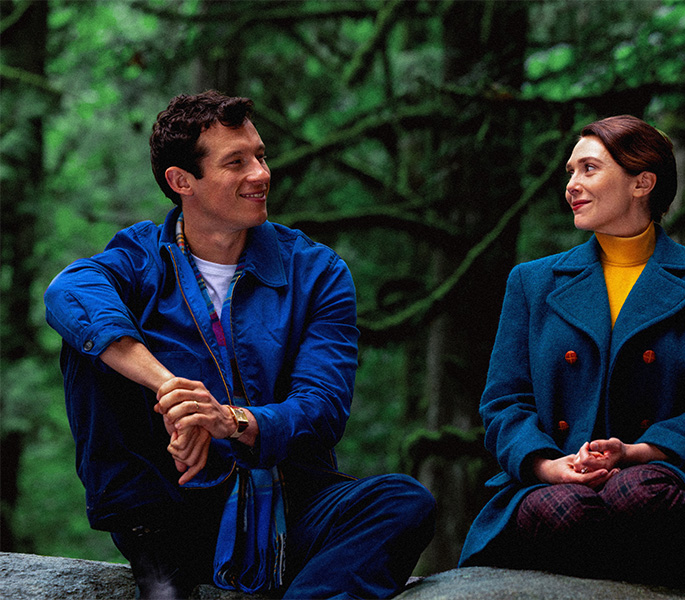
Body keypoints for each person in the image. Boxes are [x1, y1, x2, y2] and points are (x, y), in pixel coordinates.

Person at [44, 90, 435, 600]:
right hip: (169, 508)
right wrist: (173, 391)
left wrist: (230, 421)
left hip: (290, 504)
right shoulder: (140, 256)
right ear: (182, 182)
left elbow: (322, 407)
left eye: (261, 155)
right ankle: (155, 558)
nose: (261, 173)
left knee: (404, 502)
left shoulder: (316, 272)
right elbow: (66, 293)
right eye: (237, 162)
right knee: (90, 340)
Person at [458, 115, 685, 597]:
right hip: (554, 477)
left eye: (589, 169)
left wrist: (637, 452)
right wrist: (548, 466)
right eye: (570, 173)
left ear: (642, 183)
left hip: (659, 477)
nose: (571, 186)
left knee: (635, 495)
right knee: (567, 508)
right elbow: (504, 404)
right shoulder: (531, 282)